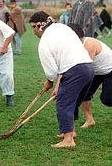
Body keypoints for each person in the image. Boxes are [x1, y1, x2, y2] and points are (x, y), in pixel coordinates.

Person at [29, 11, 94, 148]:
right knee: (73, 101)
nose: (33, 32)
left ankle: (68, 140)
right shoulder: (63, 27)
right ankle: (71, 131)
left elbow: (51, 72)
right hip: (88, 67)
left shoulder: (44, 42)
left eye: (33, 27)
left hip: (74, 70)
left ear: (38, 26)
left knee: (63, 103)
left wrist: (50, 81)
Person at [68, 23, 112, 128]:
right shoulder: (76, 45)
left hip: (110, 71)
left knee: (107, 99)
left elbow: (85, 66)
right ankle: (90, 120)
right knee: (84, 93)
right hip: (97, 72)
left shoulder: (89, 44)